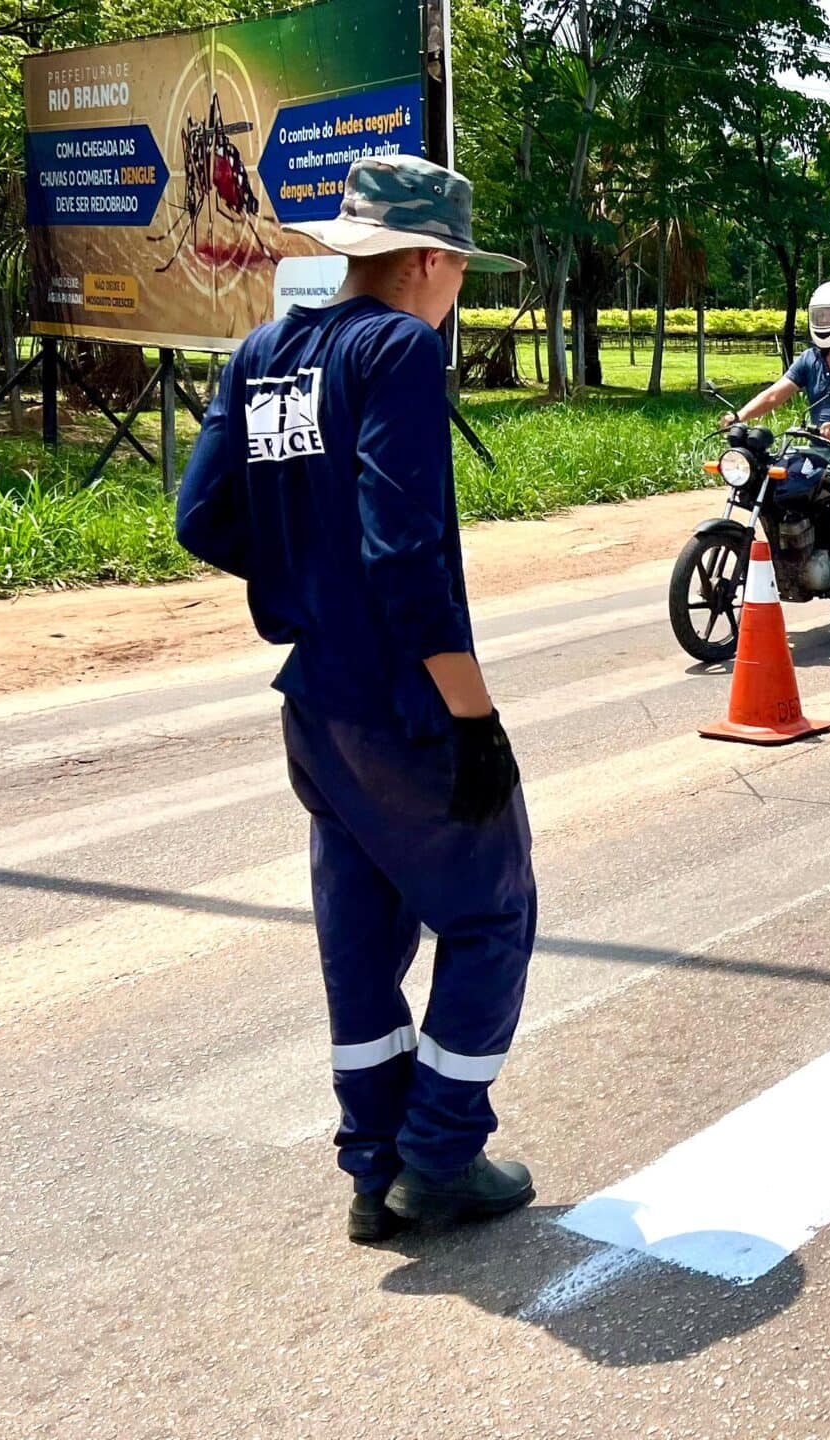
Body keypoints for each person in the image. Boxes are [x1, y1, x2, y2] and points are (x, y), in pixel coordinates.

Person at [174, 155, 539, 1245]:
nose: (457, 286)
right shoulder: (401, 350)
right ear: (429, 258)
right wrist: (476, 720)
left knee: (361, 934)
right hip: (402, 706)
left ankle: (370, 1164)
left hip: (316, 703)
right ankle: (436, 1160)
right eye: (460, 268)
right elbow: (405, 557)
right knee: (490, 917)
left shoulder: (263, 354)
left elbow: (203, 518)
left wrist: (302, 571)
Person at [719, 280, 830, 594]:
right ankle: (795, 551)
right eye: (821, 317)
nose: (826, 323)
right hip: (821, 449)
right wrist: (738, 416)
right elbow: (774, 394)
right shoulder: (810, 359)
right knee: (779, 477)